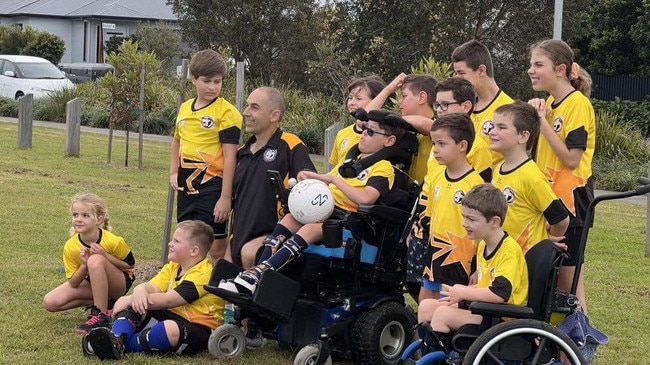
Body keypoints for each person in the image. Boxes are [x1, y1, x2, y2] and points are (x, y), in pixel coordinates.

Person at [219, 109, 409, 295]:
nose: (363, 134)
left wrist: (335, 180)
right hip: (327, 211)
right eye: (364, 128)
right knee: (289, 219)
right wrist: (310, 178)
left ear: (389, 141)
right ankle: (257, 272)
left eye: (371, 131)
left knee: (309, 229)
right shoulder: (350, 161)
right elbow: (327, 179)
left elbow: (367, 198)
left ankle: (262, 271)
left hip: (352, 221)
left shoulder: (383, 168)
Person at [83, 220, 224, 360]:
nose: (170, 244)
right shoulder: (174, 266)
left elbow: (168, 300)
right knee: (135, 307)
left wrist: (130, 298)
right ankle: (116, 339)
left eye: (176, 241)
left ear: (194, 251)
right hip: (170, 315)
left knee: (169, 328)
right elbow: (150, 287)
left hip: (199, 328)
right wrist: (139, 289)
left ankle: (116, 345)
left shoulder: (204, 273)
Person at [405, 77, 491, 302]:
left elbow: (483, 211)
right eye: (438, 105)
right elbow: (430, 197)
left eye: (446, 105)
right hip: (433, 244)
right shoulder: (440, 162)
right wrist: (416, 229)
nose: (440, 110)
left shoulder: (477, 159)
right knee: (424, 294)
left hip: (460, 254)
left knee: (450, 304)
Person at [527, 39, 596, 313]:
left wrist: (542, 123)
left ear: (560, 69)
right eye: (531, 64)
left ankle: (578, 347)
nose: (530, 70)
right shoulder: (549, 104)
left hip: (572, 204)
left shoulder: (577, 104)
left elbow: (571, 158)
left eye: (537, 64)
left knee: (569, 288)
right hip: (550, 203)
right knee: (553, 285)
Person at [419, 183, 528, 354]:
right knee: (426, 307)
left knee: (442, 315)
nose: (464, 224)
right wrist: (465, 291)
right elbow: (486, 284)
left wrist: (464, 293)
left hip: (502, 317)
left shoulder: (509, 251)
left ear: (494, 221)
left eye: (471, 219)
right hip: (484, 308)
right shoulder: (484, 243)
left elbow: (500, 293)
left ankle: (440, 358)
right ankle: (429, 352)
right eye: (464, 217)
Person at [226, 86, 315, 270]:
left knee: (249, 254)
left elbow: (309, 190)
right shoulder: (241, 153)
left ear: (274, 115)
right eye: (247, 106)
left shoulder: (291, 145)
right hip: (237, 245)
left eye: (254, 107)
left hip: (270, 243)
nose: (245, 112)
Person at [169, 49, 242, 262]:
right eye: (207, 81)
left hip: (213, 188)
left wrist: (225, 198)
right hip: (186, 189)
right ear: (193, 79)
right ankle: (187, 285)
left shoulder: (227, 113)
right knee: (186, 240)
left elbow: (231, 157)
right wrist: (174, 171)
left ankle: (218, 287)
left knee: (216, 246)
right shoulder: (184, 108)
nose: (212, 87)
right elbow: (177, 140)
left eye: (217, 82)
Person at [416, 114, 484, 322]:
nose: (435, 149)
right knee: (425, 304)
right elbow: (431, 215)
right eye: (434, 143)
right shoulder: (437, 175)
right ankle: (425, 347)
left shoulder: (476, 185)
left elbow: (483, 233)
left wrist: (477, 267)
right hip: (434, 257)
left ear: (462, 145)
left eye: (442, 144)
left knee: (446, 311)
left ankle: (446, 352)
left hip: (459, 262)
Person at [43, 193, 135, 334]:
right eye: (75, 215)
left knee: (96, 259)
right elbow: (73, 283)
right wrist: (84, 265)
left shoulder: (113, 240)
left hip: (119, 284)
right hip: (93, 283)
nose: (78, 219)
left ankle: (101, 316)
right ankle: (103, 302)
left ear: (99, 219)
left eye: (85, 216)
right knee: (50, 302)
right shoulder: (71, 246)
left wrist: (105, 255)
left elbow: (129, 265)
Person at [489, 101, 569, 252]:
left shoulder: (531, 176)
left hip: (523, 264)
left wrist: (545, 246)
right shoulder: (498, 168)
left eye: (501, 127)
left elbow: (561, 219)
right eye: (493, 126)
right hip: (500, 258)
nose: (492, 132)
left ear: (523, 136)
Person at [364, 73, 437, 184]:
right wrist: (388, 90)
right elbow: (366, 116)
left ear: (422, 97)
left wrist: (395, 118)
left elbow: (428, 125)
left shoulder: (442, 129)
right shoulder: (404, 126)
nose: (399, 101)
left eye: (404, 96)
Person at [451, 40, 514, 165]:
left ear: (481, 70)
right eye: (456, 73)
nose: (457, 79)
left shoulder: (509, 109)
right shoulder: (463, 108)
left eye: (461, 73)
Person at [329, 75, 386, 167]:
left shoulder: (383, 136)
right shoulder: (342, 134)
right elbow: (334, 168)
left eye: (358, 99)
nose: (352, 103)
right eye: (350, 98)